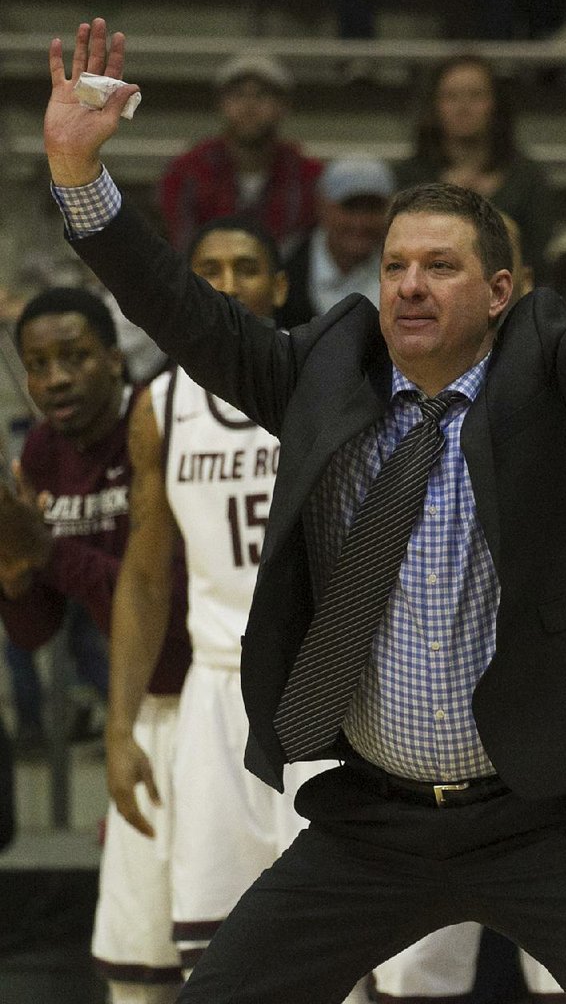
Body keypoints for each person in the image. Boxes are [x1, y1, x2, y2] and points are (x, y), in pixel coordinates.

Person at [44, 0, 566, 1004]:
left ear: (497, 291)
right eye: (395, 264)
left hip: (544, 816)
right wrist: (80, 177)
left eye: (439, 267)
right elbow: (182, 312)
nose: (407, 285)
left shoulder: (556, 380)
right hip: (371, 821)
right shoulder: (323, 373)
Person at [104, 216, 362, 997]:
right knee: (216, 955)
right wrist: (118, 726)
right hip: (215, 696)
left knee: (344, 950)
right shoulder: (158, 406)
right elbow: (146, 577)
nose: (226, 285)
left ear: (279, 287)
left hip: (322, 688)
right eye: (207, 268)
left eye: (246, 267)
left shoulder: (333, 381)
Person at [0, 287, 192, 1003]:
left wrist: (48, 550)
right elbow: (36, 630)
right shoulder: (45, 451)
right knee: (132, 967)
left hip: (212, 701)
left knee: (226, 951)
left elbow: (167, 605)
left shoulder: (159, 430)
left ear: (115, 360)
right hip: (137, 712)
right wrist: (16, 569)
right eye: (38, 363)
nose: (56, 379)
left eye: (76, 357)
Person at [392, 52, 554, 284]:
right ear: (434, 105)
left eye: (476, 95)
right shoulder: (410, 177)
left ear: (495, 104)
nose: (463, 107)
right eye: (451, 96)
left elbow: (538, 257)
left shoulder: (527, 177)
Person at [158, 53, 322, 256]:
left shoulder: (308, 175)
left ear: (284, 106)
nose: (249, 106)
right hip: (202, 282)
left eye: (262, 94)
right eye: (237, 94)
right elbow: (184, 248)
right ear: (220, 104)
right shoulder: (186, 172)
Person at [278, 157, 393, 329]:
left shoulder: (406, 272)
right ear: (322, 207)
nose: (360, 222)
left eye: (372, 208)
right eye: (350, 207)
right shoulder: (286, 268)